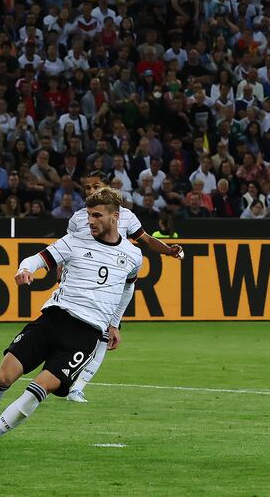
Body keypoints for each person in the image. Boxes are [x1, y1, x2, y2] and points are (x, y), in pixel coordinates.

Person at [0, 188, 143, 455]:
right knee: (3, 377)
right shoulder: (75, 240)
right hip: (53, 319)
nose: (91, 221)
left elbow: (127, 289)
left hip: (85, 336)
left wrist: (115, 322)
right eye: (88, 215)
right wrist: (24, 270)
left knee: (39, 388)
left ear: (115, 217)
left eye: (97, 215)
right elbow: (37, 259)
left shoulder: (133, 256)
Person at [62, 171, 183, 403]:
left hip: (116, 288)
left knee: (106, 334)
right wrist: (61, 267)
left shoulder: (126, 216)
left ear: (108, 188)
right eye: (87, 187)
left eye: (95, 186)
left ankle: (79, 386)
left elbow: (145, 239)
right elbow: (67, 247)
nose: (90, 191)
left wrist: (168, 250)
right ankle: (61, 375)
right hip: (84, 284)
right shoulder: (79, 218)